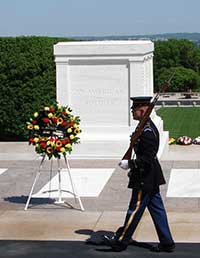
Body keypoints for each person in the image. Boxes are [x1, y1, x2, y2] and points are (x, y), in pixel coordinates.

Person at [103, 96, 175, 252]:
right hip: (150, 175)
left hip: (145, 176)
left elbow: (147, 159)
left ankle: (121, 242)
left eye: (134, 110)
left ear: (142, 110)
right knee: (157, 209)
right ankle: (167, 242)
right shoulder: (145, 127)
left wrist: (130, 164)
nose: (132, 112)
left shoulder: (147, 131)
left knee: (134, 210)